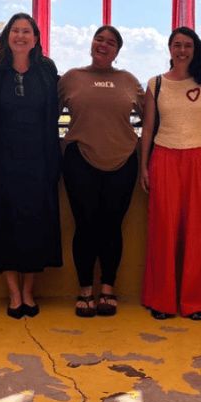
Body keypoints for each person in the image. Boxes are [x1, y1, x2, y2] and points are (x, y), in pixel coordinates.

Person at [0, 12, 62, 318]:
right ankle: (13, 293)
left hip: (39, 162)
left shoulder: (47, 69)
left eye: (26, 32)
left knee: (36, 226)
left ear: (35, 39)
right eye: (15, 31)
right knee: (4, 227)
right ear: (7, 36)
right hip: (2, 162)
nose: (20, 36)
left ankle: (28, 292)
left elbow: (61, 102)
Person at [139, 27, 201, 321]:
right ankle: (161, 300)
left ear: (195, 49)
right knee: (163, 229)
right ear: (169, 48)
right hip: (164, 157)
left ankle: (198, 299)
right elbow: (147, 129)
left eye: (187, 45)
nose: (182, 50)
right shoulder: (156, 84)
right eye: (177, 45)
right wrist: (143, 166)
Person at [58, 25, 144, 317]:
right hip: (79, 160)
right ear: (92, 43)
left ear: (117, 51)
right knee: (84, 226)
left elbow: (152, 117)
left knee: (111, 227)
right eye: (99, 39)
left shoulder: (129, 80)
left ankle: (108, 288)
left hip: (123, 161)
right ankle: (85, 291)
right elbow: (46, 115)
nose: (103, 44)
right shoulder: (71, 78)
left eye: (111, 42)